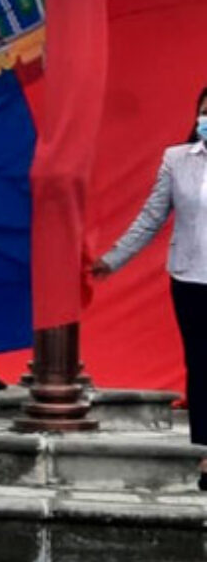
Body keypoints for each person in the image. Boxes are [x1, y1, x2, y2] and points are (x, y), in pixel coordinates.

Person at [96, 86, 207, 486]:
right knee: (200, 364)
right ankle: (205, 456)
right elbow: (150, 218)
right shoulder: (177, 160)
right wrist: (113, 258)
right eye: (204, 112)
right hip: (191, 278)